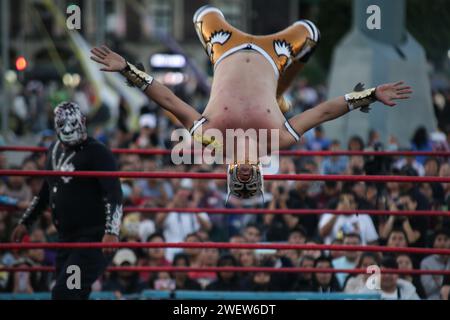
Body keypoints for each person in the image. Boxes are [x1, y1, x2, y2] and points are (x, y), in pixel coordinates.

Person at [90, 5, 412, 203]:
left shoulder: (211, 138)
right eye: (250, 179)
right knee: (310, 33)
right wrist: (370, 95)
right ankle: (278, 94)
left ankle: (277, 96)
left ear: (231, 171)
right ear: (257, 170)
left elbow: (169, 99)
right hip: (275, 54)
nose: (244, 174)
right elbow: (323, 112)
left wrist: (127, 69)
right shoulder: (277, 139)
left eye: (239, 180)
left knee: (202, 13)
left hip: (223, 47)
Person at [11, 101, 123, 300]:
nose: (69, 129)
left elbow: (114, 192)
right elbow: (46, 191)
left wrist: (111, 231)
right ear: (56, 126)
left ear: (83, 121)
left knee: (66, 293)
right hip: (66, 239)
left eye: (73, 123)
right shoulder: (53, 150)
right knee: (73, 293)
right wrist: (25, 222)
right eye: (63, 124)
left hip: (91, 240)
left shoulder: (98, 152)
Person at [420, 229, 450, 299]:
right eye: (439, 239)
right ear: (434, 243)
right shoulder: (426, 262)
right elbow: (428, 289)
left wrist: (437, 279)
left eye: (446, 240)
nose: (442, 243)